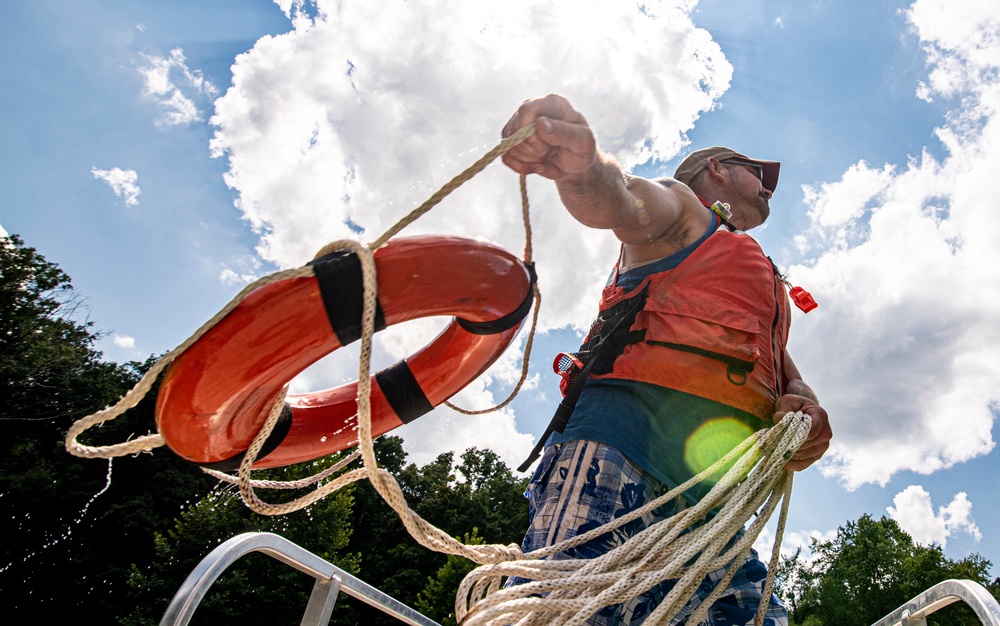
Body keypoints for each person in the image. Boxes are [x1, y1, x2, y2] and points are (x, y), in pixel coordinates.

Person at [500, 94, 833, 625]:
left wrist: (809, 416)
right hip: (620, 456)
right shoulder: (680, 209)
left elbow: (789, 381)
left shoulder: (754, 282)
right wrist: (583, 165)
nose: (768, 183)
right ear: (717, 170)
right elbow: (619, 198)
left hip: (716, 504)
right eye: (757, 171)